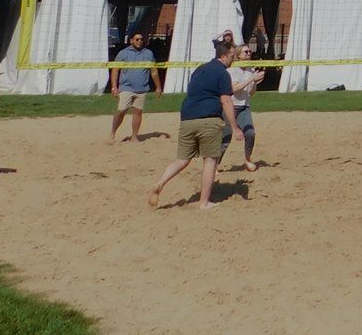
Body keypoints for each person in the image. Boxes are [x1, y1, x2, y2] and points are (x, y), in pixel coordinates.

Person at [150, 36, 244, 210]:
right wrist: (235, 127)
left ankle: (160, 182)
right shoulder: (222, 73)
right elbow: (226, 101)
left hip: (187, 118)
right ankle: (204, 202)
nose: (234, 58)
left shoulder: (199, 70)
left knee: (182, 159)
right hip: (208, 119)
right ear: (223, 56)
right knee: (210, 160)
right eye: (232, 55)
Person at [220, 33, 263, 170]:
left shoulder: (250, 69)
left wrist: (255, 82)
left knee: (250, 133)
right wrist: (251, 79)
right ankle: (214, 165)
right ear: (238, 55)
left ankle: (247, 159)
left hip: (244, 106)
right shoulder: (232, 70)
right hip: (230, 107)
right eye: (246, 51)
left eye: (250, 51)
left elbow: (251, 92)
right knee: (225, 138)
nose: (249, 53)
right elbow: (234, 88)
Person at [109, 30, 157, 143]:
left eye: (141, 39)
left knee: (138, 112)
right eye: (137, 39)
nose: (140, 41)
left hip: (142, 88)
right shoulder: (123, 53)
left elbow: (154, 71)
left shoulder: (148, 53)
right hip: (126, 88)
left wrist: (158, 87)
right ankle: (113, 132)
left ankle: (134, 136)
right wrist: (114, 87)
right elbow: (115, 70)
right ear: (131, 41)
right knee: (121, 110)